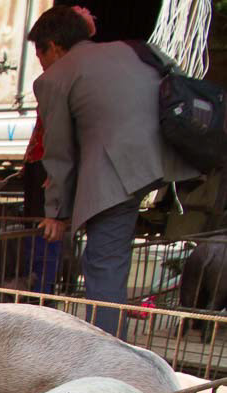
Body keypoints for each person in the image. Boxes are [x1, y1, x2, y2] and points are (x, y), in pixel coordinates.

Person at [29, 5, 197, 337]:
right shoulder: (129, 50)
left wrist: (55, 213)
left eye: (39, 53)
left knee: (103, 262)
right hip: (163, 157)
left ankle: (105, 355)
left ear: (54, 46)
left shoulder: (55, 78)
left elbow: (59, 154)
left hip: (117, 171)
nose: (40, 62)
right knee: (108, 257)